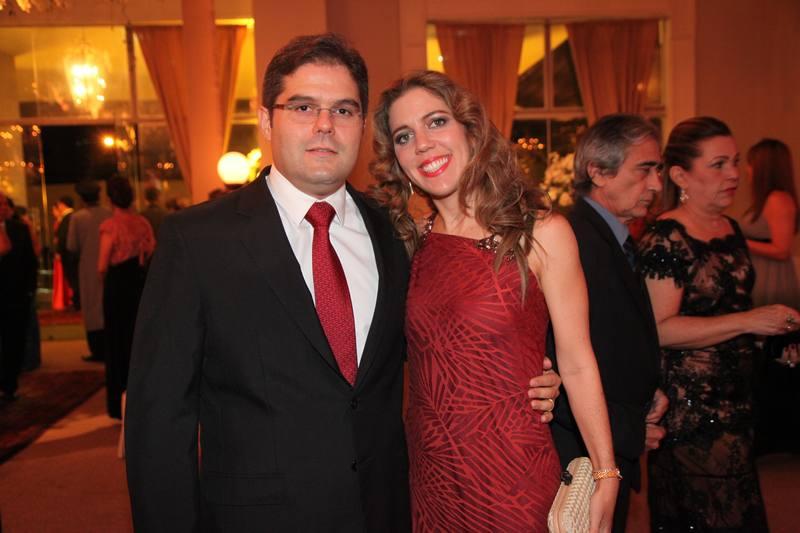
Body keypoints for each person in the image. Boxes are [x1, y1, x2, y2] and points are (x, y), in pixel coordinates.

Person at [124, 33, 563, 532]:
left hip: (387, 511)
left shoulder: (397, 232)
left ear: (362, 125)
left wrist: (528, 376)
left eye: (344, 110)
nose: (325, 125)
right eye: (303, 107)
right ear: (266, 120)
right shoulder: (197, 240)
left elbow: (440, 339)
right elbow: (159, 420)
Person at [370, 70, 617, 532]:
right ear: (396, 159)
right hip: (431, 473)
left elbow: (578, 361)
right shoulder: (405, 243)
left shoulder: (540, 234)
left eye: (436, 122)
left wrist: (606, 471)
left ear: (471, 129)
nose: (422, 144)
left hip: (513, 471)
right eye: (404, 136)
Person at [638, 116, 800, 532]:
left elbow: (731, 306)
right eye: (718, 164)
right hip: (692, 408)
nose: (733, 174)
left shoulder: (730, 227)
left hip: (737, 399)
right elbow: (660, 329)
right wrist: (749, 320)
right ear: (680, 175)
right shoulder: (666, 238)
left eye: (736, 162)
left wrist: (773, 339)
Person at [545, 114, 668, 533]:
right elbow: (561, 361)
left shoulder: (611, 235)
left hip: (613, 435)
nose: (656, 184)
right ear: (598, 171)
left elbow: (617, 338)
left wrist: (647, 393)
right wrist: (628, 429)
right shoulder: (574, 238)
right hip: (584, 451)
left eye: (658, 170)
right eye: (644, 169)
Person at [98, 176, 155, 419]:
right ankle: (141, 396)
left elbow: (102, 264)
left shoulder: (110, 226)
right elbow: (151, 249)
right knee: (136, 339)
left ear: (110, 199)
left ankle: (117, 403)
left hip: (117, 286)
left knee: (116, 341)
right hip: (138, 283)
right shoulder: (142, 223)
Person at [741, 138, 800, 308]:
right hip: (760, 272)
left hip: (771, 278)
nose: (747, 169)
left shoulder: (778, 200)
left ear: (763, 167)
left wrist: (740, 241)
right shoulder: (766, 199)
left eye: (750, 163)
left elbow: (782, 250)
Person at [68, 180, 111, 363]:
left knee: (91, 307)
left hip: (87, 266)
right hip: (109, 265)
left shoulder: (78, 218)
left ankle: (96, 349)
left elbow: (72, 245)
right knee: (106, 304)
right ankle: (108, 347)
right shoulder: (108, 214)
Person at [0, 192, 38, 403]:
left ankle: (9, 385)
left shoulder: (19, 229)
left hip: (16, 295)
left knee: (14, 340)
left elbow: (30, 261)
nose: (3, 207)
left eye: (5, 204)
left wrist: (30, 290)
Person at [53, 195, 79, 310]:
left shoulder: (67, 217)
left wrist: (59, 251)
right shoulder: (75, 216)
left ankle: (76, 302)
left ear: (62, 204)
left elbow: (62, 237)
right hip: (74, 253)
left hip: (69, 254)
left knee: (73, 278)